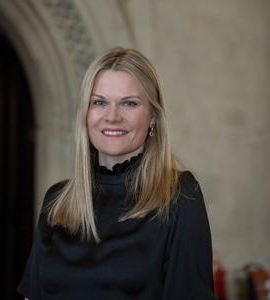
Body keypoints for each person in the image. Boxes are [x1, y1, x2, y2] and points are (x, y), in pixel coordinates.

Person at [17, 47, 215, 299]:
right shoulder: (57, 201)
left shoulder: (179, 196)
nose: (112, 116)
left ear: (152, 116)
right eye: (99, 102)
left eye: (129, 103)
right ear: (85, 115)